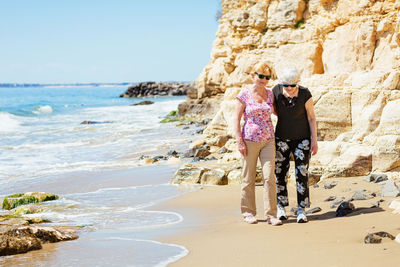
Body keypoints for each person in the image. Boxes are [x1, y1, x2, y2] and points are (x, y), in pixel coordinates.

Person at [234, 62, 282, 226]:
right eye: (260, 76)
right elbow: (236, 118)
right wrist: (239, 140)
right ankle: (248, 212)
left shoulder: (270, 94)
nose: (263, 80)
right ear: (253, 75)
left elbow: (277, 111)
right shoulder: (244, 94)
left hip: (268, 140)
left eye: (267, 77)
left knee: (269, 177)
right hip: (249, 140)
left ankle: (271, 215)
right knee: (248, 177)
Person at [272, 66, 318, 223]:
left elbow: (311, 118)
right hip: (281, 139)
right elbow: (275, 111)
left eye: (293, 85)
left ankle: (301, 210)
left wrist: (314, 140)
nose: (289, 88)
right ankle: (280, 207)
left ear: (298, 83)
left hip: (302, 139)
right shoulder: (276, 91)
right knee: (279, 173)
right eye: (286, 85)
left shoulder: (305, 93)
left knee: (302, 173)